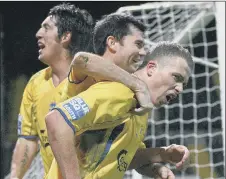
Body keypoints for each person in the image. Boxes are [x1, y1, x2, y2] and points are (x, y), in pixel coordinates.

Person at [10, 4, 157, 179]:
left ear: (65, 36)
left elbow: (128, 150)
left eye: (46, 28)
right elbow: (28, 139)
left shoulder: (97, 79)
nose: (38, 33)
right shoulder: (36, 83)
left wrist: (158, 163)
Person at [45, 14, 192, 179]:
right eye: (176, 78)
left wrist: (161, 156)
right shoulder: (118, 92)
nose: (179, 88)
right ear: (151, 69)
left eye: (183, 85)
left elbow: (123, 156)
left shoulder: (140, 109)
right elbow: (56, 120)